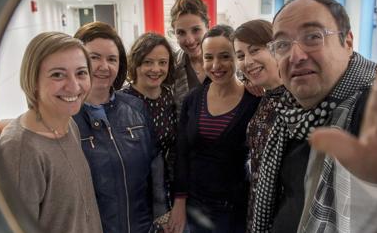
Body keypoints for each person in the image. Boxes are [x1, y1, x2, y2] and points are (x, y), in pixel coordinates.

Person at [252, 0, 377, 233]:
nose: (296, 56)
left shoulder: (374, 112)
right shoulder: (288, 111)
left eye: (313, 37)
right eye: (282, 44)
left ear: (348, 43)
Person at [0, 32, 102, 233]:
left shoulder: (68, 123)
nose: (74, 86)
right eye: (57, 74)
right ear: (33, 80)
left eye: (81, 72)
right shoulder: (20, 149)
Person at [72, 22, 166, 233]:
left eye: (112, 59)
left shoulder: (135, 106)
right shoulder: (67, 117)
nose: (104, 67)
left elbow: (154, 164)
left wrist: (162, 214)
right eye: (94, 57)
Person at [168, 25, 261, 233]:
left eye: (225, 56)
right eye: (208, 57)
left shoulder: (254, 101)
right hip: (194, 207)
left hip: (234, 211)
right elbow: (182, 153)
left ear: (237, 57)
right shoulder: (193, 99)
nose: (216, 65)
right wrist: (179, 202)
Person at [232, 19, 284, 232]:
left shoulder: (296, 99)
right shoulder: (266, 96)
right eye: (241, 55)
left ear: (275, 48)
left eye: (255, 50)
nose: (247, 61)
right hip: (258, 207)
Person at [122, 32, 178, 215]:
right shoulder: (121, 101)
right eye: (148, 62)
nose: (156, 69)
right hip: (131, 192)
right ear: (136, 63)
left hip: (164, 188)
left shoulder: (169, 96)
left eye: (162, 62)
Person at [169, 0, 210, 114]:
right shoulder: (170, 67)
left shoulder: (227, 61)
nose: (190, 40)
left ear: (207, 26)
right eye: (181, 33)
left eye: (196, 30)